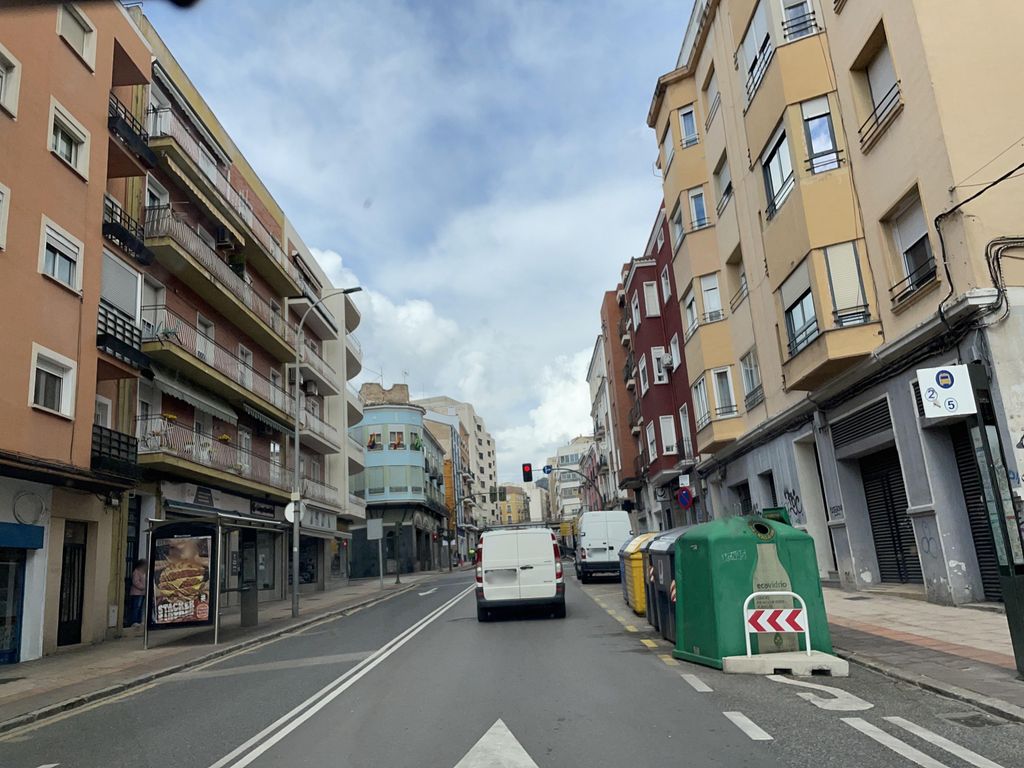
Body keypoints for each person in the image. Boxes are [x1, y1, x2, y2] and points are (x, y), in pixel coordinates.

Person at [128, 559, 147, 626]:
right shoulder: (136, 572)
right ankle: (134, 621)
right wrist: (143, 587)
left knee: (140, 607)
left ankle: (139, 620)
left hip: (142, 593)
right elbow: (135, 582)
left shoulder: (143, 573)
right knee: (136, 607)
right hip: (136, 593)